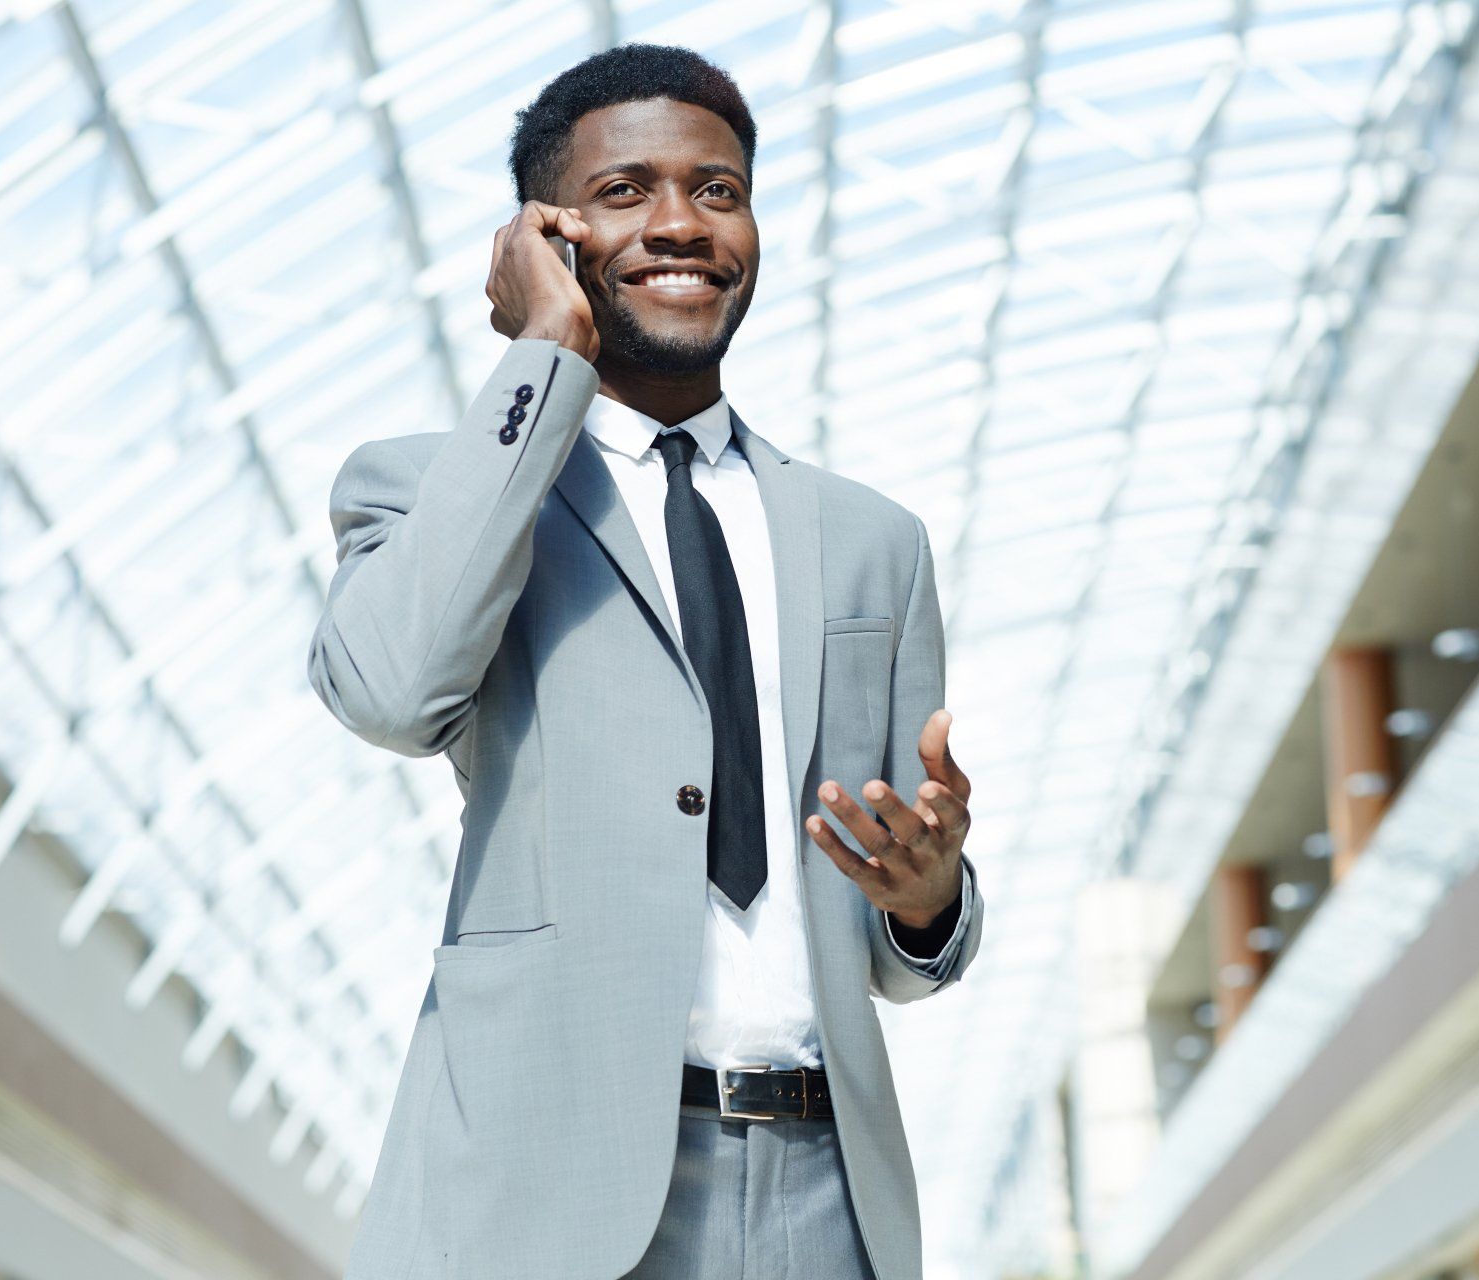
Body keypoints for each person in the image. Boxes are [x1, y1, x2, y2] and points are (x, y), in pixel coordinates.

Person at [306, 41, 984, 1280]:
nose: (682, 223)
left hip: (830, 1195)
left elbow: (899, 952)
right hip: (544, 1189)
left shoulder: (873, 544)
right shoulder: (437, 488)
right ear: (544, 235)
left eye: (718, 190)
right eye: (626, 193)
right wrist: (544, 359)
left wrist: (930, 895)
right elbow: (394, 693)